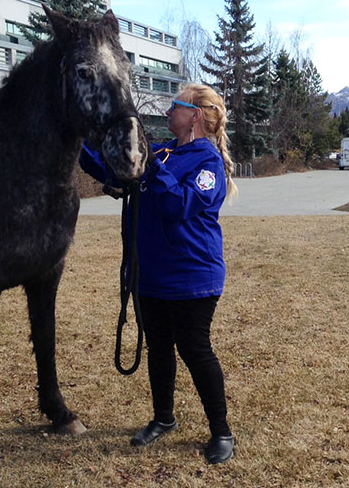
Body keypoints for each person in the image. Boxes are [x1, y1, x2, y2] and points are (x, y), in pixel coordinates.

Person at [80, 83, 237, 464]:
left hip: (193, 276)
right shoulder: (163, 152)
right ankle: (164, 419)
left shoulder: (208, 163)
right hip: (151, 274)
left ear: (194, 115)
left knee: (195, 350)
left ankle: (221, 432)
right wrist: (81, 138)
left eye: (174, 107)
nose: (167, 113)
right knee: (159, 348)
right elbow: (111, 168)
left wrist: (150, 169)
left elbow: (178, 204)